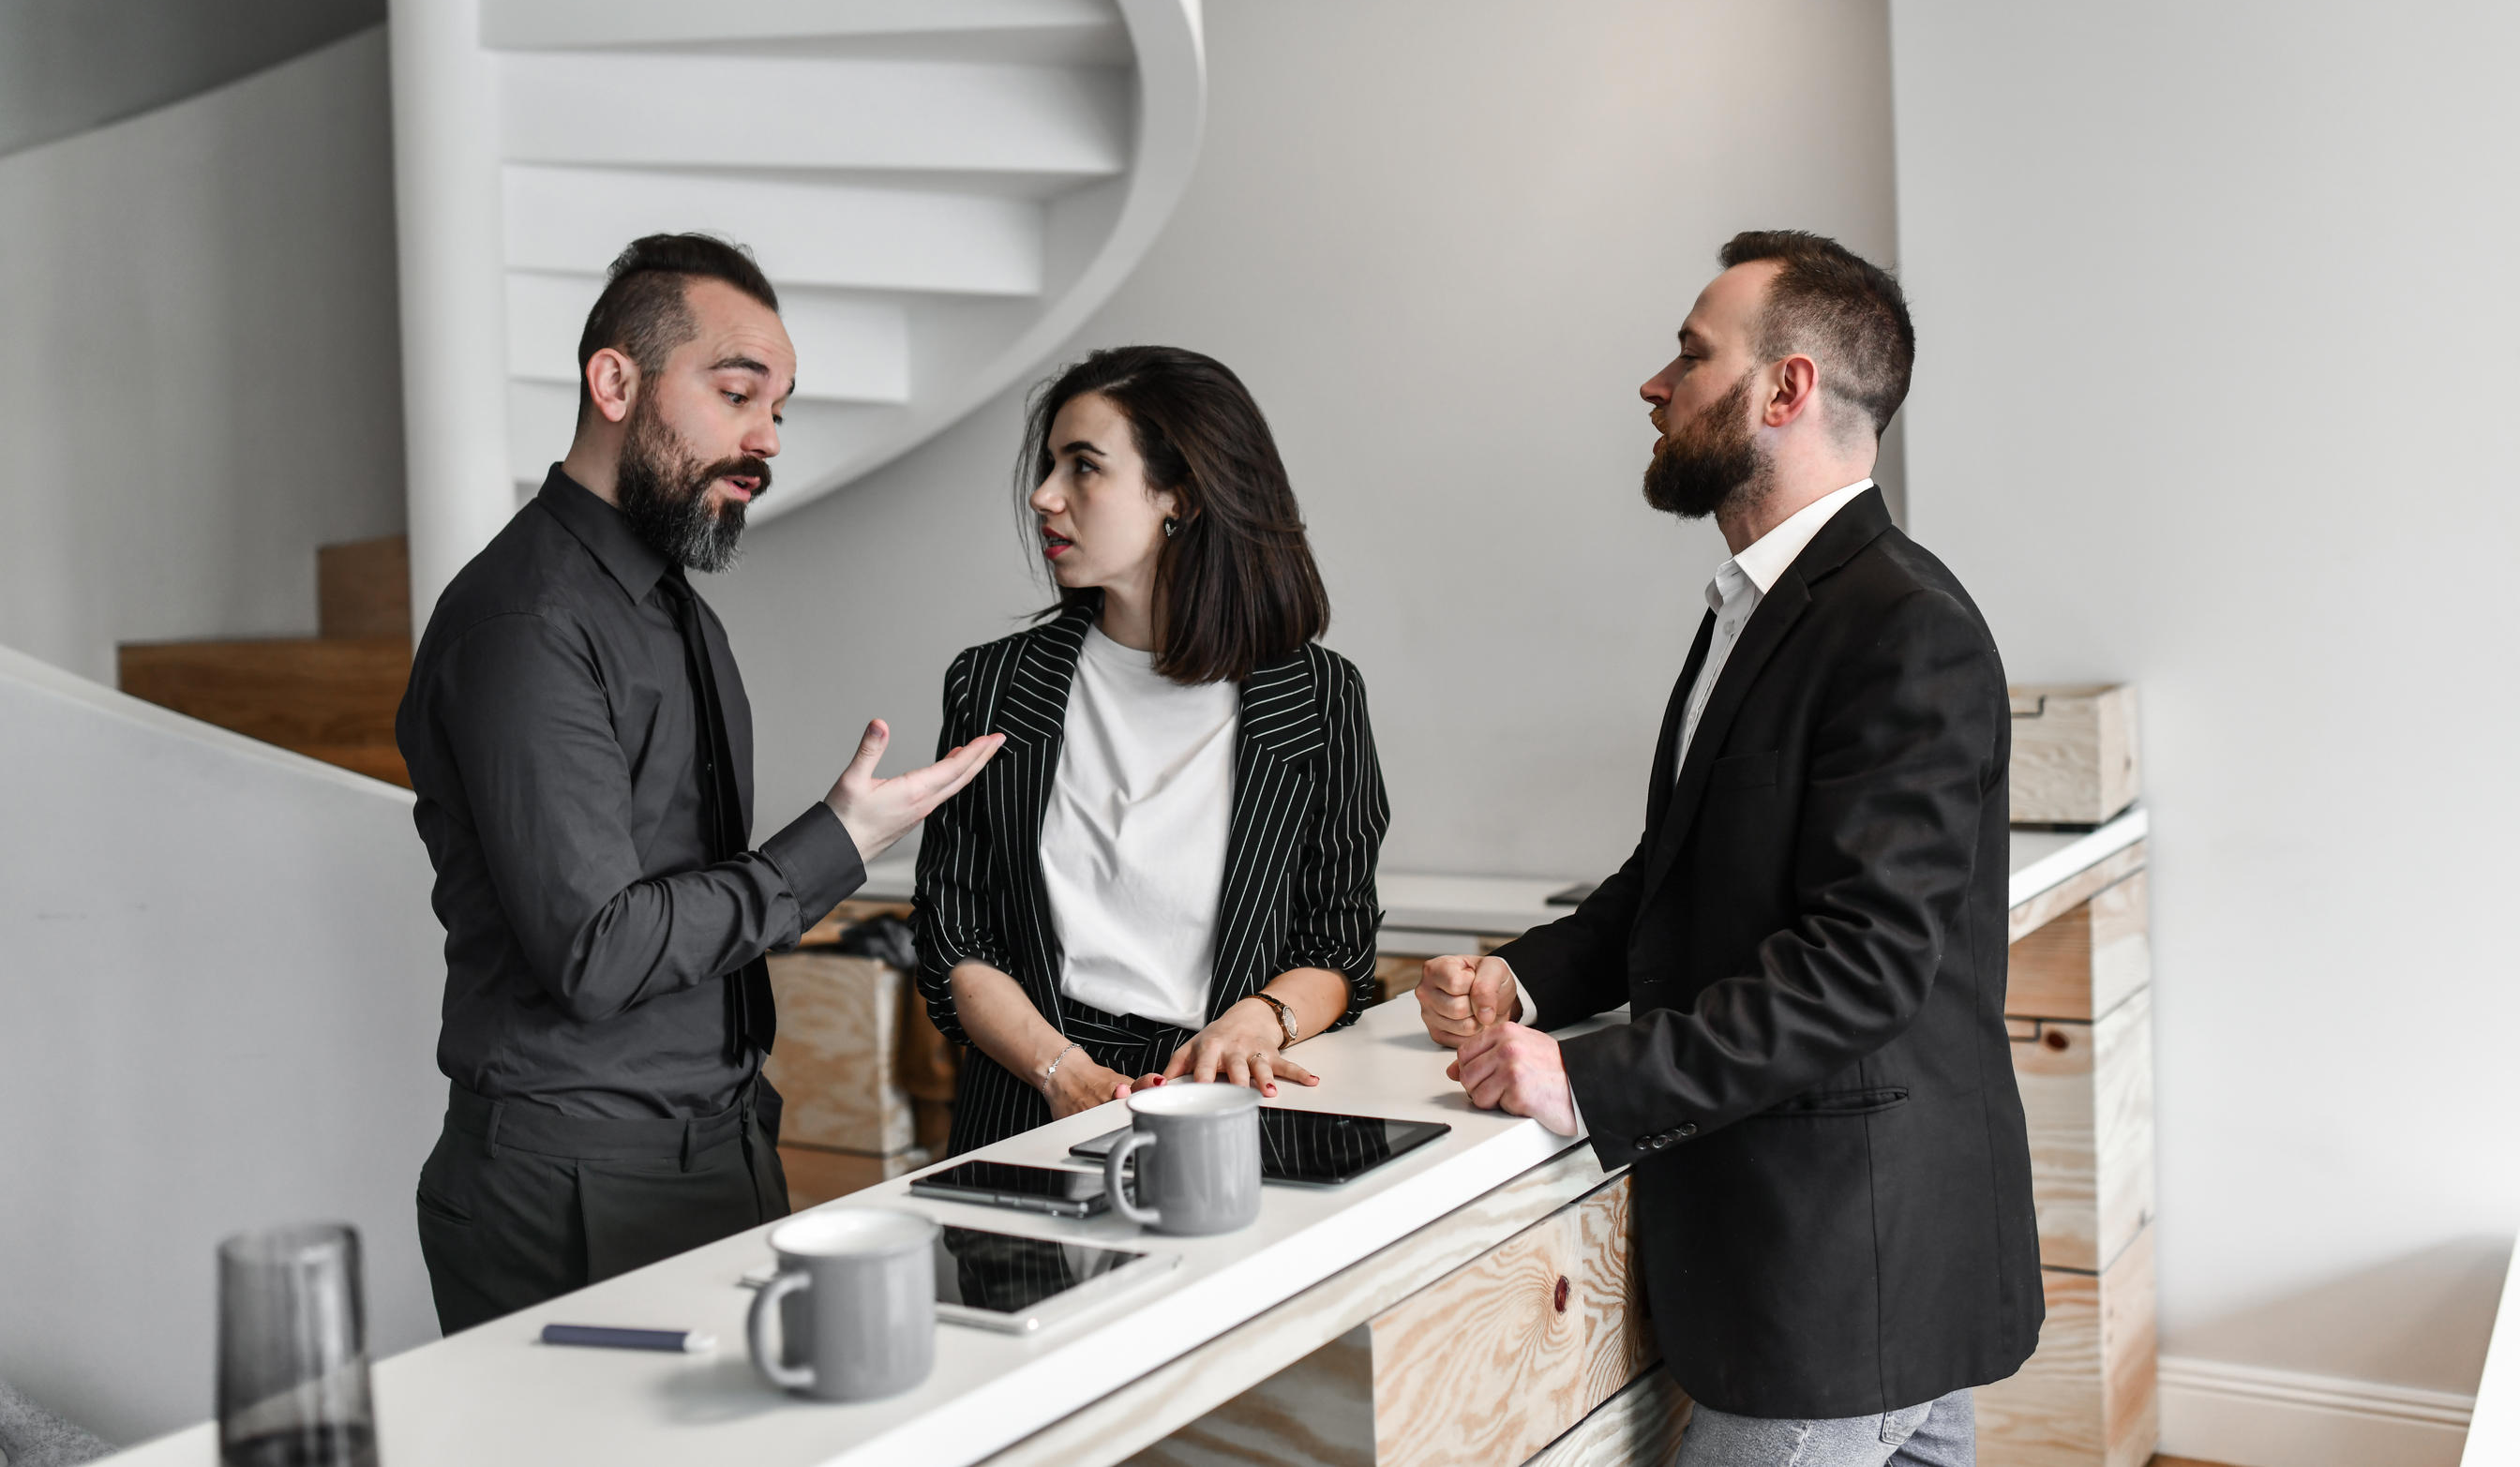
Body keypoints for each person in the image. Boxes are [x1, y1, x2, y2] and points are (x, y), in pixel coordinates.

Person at [1421, 232, 2041, 1466]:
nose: (1654, 384)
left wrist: (1587, 1078)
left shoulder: (1903, 627)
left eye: (1690, 353)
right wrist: (1530, 976)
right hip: (1865, 1267)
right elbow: (1681, 864)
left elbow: (1862, 964)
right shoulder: (1764, 608)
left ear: (1786, 387)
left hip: (1837, 1270)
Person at [396, 232, 1002, 1333]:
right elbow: (600, 947)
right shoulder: (523, 623)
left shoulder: (681, 615)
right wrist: (835, 841)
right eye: (735, 393)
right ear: (614, 382)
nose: (766, 439)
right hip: (573, 1184)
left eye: (780, 407)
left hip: (720, 1148)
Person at [912, 346, 1388, 1155]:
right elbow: (954, 938)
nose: (1043, 495)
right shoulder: (989, 686)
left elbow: (1336, 945)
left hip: (1233, 1111)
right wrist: (1060, 1070)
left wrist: (1254, 1021)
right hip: (1030, 1107)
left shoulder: (1319, 696)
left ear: (1181, 495)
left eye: (1083, 466)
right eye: (1048, 463)